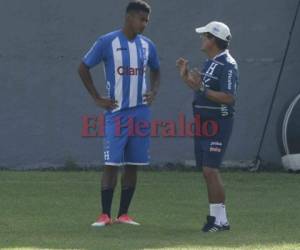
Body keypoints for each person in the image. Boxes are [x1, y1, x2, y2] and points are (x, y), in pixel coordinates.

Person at [78, 0, 160, 227]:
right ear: (129, 18)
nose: (144, 24)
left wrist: (153, 91)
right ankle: (104, 215)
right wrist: (96, 97)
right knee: (111, 163)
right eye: (141, 19)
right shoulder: (107, 42)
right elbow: (83, 67)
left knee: (133, 163)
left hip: (141, 114)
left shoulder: (147, 45)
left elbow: (157, 69)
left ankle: (124, 214)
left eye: (147, 21)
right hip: (117, 114)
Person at [176, 21, 239, 232]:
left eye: (205, 35)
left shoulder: (228, 64)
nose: (201, 39)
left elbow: (228, 97)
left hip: (218, 123)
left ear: (213, 39)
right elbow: (200, 89)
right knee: (207, 171)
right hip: (203, 123)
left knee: (211, 170)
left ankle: (218, 220)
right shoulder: (209, 62)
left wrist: (201, 88)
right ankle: (219, 220)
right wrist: (186, 77)